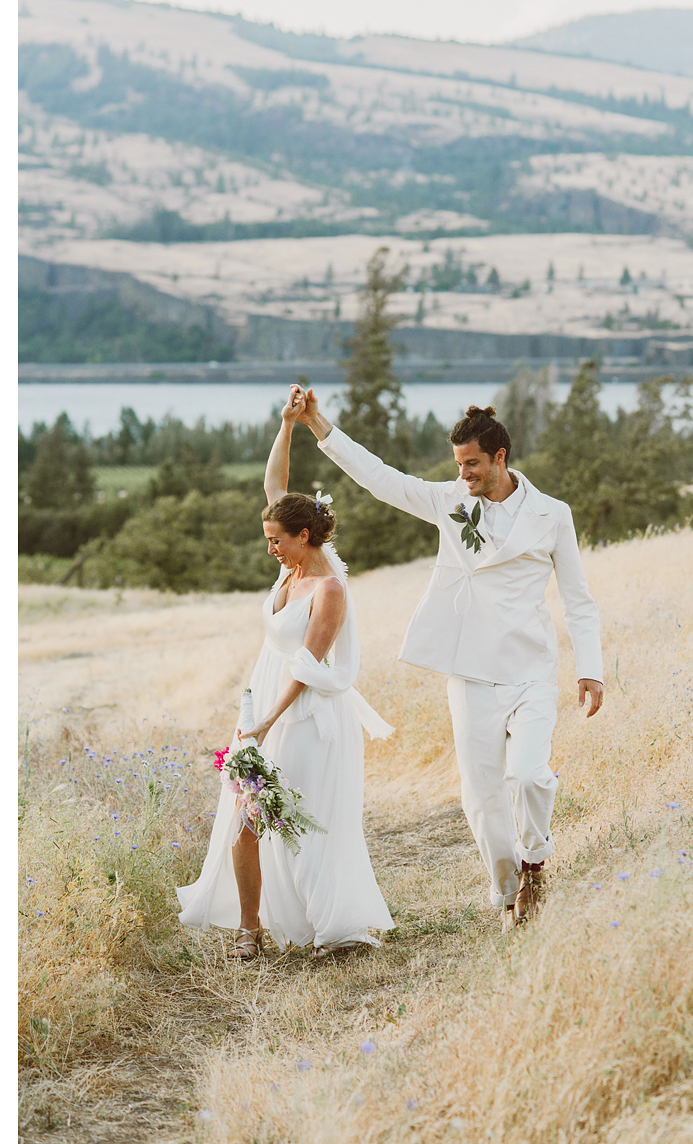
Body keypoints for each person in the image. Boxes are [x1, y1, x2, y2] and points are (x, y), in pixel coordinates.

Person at [294, 389, 604, 930]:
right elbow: (380, 477)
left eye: (473, 464)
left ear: (500, 458)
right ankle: (511, 895)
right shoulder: (450, 502)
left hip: (531, 668)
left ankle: (535, 861)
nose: (464, 475)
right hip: (471, 669)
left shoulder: (554, 515)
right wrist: (317, 422)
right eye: (459, 465)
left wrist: (590, 668)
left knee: (529, 778)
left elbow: (578, 598)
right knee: (482, 797)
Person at [177, 387, 395, 959]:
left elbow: (307, 664)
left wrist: (268, 720)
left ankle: (332, 928)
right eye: (268, 539)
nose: (271, 549)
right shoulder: (292, 556)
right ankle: (251, 928)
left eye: (277, 541)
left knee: (301, 819)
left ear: (306, 535)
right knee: (245, 815)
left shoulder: (329, 588)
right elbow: (276, 489)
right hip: (263, 707)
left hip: (305, 715)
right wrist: (287, 424)